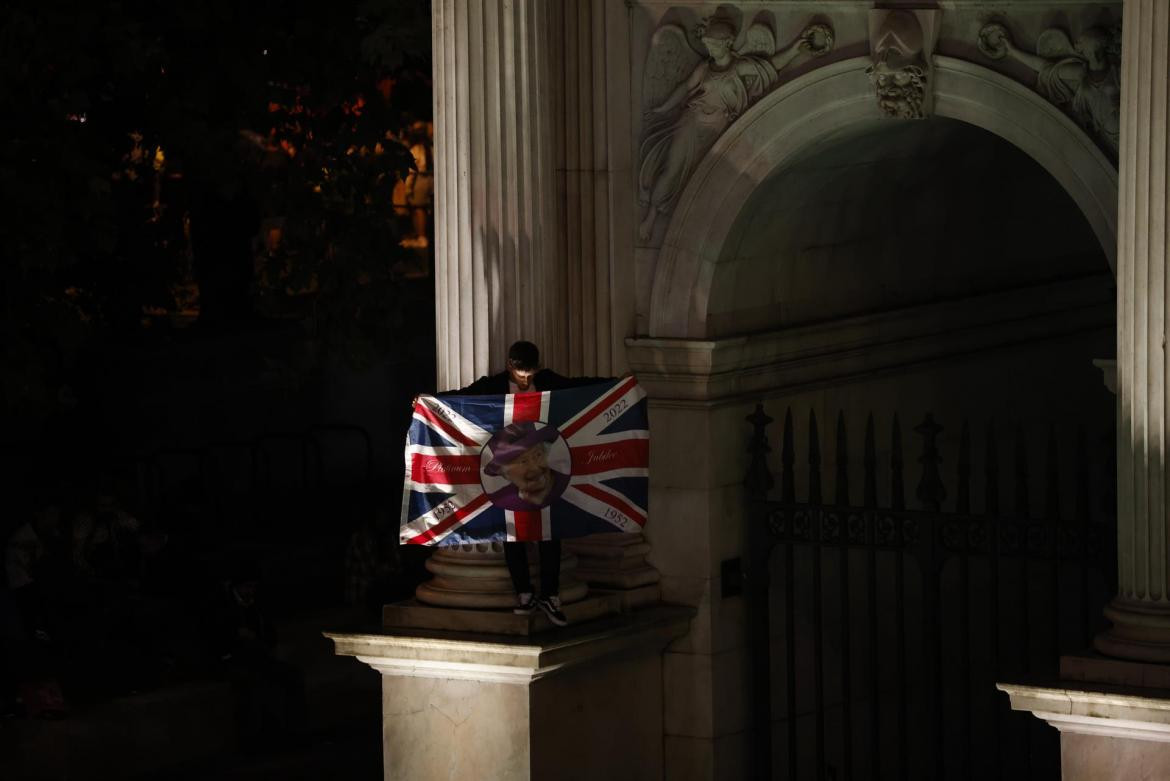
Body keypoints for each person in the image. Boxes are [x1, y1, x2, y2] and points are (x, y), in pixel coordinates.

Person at [437, 340, 607, 626]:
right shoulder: (491, 385)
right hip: (511, 467)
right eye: (521, 375)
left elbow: (581, 386)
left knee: (551, 532)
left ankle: (550, 595)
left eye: (530, 375)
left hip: (543, 466)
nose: (526, 380)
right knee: (512, 534)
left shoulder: (548, 381)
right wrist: (429, 400)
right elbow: (461, 398)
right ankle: (524, 593)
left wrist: (617, 384)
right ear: (510, 367)